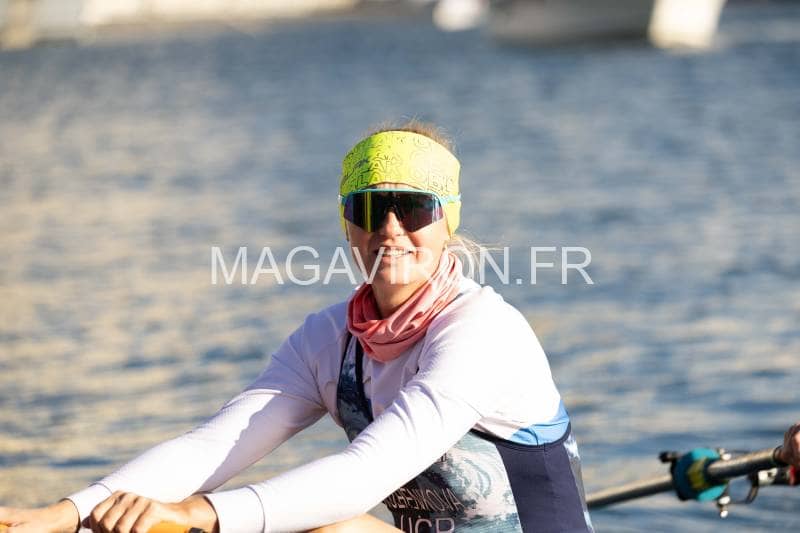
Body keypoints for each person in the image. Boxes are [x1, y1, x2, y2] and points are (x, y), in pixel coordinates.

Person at [0, 121, 595, 533]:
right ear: (348, 225)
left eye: (414, 208)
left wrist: (197, 514)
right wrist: (68, 513)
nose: (390, 229)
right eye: (369, 208)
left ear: (446, 222)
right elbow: (213, 447)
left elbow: (365, 475)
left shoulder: (484, 333)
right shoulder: (328, 340)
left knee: (314, 525)